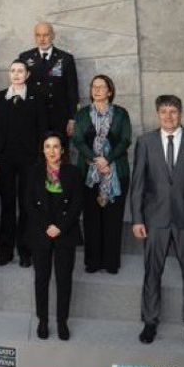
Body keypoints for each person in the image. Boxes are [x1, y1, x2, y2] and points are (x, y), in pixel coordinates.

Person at [130, 95, 184, 350]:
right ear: (157, 114)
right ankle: (150, 321)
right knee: (152, 273)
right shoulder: (145, 142)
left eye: (173, 111)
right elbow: (138, 186)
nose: (168, 116)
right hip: (155, 220)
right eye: (164, 111)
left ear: (181, 114)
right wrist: (137, 219)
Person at [26, 132, 83, 341]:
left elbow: (77, 204)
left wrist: (59, 226)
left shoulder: (74, 173)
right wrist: (46, 226)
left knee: (64, 280)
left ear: (63, 150)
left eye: (56, 146)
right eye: (48, 146)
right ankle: (43, 320)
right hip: (40, 234)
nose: (52, 151)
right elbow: (29, 204)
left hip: (65, 234)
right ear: (43, 150)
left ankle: (62, 321)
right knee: (41, 280)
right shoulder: (33, 172)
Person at [0, 60, 45, 267]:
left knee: (27, 205)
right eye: (12, 71)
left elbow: (42, 129)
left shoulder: (35, 96)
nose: (16, 74)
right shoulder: (1, 97)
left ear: (27, 74)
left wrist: (41, 158)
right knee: (8, 206)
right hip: (4, 159)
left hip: (29, 159)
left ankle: (26, 251)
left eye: (20, 71)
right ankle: (4, 252)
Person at [72, 74, 131, 274]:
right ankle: (93, 261)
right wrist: (98, 160)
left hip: (117, 172)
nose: (97, 90)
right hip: (88, 174)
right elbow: (78, 141)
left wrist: (108, 159)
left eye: (101, 87)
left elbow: (125, 141)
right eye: (94, 87)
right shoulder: (82, 115)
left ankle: (111, 262)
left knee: (113, 219)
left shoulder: (121, 114)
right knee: (91, 219)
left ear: (110, 91)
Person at [17, 22, 79, 146]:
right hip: (34, 116)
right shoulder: (25, 57)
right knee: (35, 154)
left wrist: (73, 118)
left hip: (59, 117)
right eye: (38, 35)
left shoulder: (66, 58)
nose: (42, 39)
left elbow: (72, 90)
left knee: (60, 155)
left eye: (46, 35)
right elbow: (19, 88)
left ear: (53, 36)